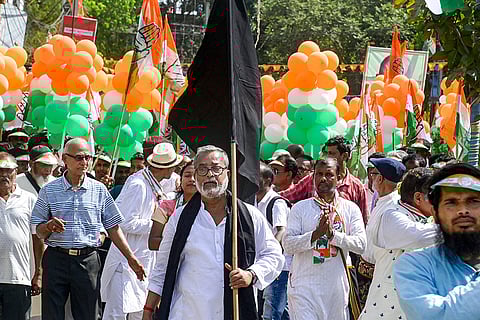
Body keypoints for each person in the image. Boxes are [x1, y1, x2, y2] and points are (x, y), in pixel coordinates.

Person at [142, 145, 284, 320]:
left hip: (233, 312)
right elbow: (162, 268)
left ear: (228, 174)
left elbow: (274, 255)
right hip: (187, 312)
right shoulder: (180, 218)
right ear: (195, 177)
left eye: (216, 168)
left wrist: (251, 274)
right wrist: (148, 310)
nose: (210, 174)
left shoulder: (249, 216)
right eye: (202, 169)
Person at [30, 138, 146, 320]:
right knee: (52, 315)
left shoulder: (99, 190)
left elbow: (113, 227)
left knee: (89, 314)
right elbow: (38, 230)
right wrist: (49, 226)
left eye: (87, 158)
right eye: (78, 157)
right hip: (56, 258)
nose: (84, 162)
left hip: (87, 260)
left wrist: (131, 258)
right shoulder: (49, 190)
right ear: (64, 159)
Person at [101, 143, 183, 320]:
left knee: (139, 311)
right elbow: (124, 222)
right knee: (117, 313)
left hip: (143, 260)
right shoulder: (139, 184)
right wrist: (159, 226)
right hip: (126, 261)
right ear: (166, 168)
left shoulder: (153, 182)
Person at [393, 163, 480, 320]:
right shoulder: (415, 265)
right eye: (451, 202)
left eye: (473, 201)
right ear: (436, 213)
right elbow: (436, 316)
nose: (463, 211)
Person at [283, 157, 366, 320]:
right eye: (319, 174)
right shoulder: (300, 208)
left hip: (335, 289)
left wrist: (332, 236)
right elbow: (288, 245)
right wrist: (315, 235)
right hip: (304, 288)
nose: (323, 179)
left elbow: (361, 245)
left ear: (339, 177)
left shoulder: (349, 209)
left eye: (329, 174)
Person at [359, 167, 439, 320]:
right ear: (418, 198)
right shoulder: (392, 215)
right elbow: (418, 237)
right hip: (385, 311)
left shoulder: (427, 219)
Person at [280, 136, 368, 224]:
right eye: (326, 153)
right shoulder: (312, 179)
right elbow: (287, 196)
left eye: (331, 153)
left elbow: (363, 221)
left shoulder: (356, 187)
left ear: (344, 156)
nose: (327, 157)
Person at [0, 153, 42, 320]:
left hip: (18, 278)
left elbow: (38, 239)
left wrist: (38, 273)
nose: (4, 175)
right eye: (0, 170)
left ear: (16, 172)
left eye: (8, 170)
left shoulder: (29, 199)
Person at [256, 163, 291, 320]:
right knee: (280, 311)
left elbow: (281, 230)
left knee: (271, 312)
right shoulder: (256, 201)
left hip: (279, 267)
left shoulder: (276, 203)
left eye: (257, 178)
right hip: (264, 266)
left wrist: (271, 255)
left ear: (269, 180)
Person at [362, 158, 405, 264]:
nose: (371, 178)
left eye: (373, 174)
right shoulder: (382, 201)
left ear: (380, 178)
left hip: (381, 269)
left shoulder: (393, 206)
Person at [148, 160, 196, 251]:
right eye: (187, 175)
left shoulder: (209, 208)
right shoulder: (166, 206)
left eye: (196, 176)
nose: (192, 179)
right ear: (180, 180)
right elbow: (152, 242)